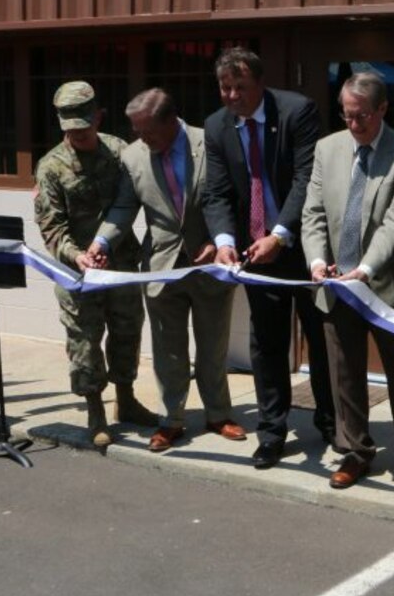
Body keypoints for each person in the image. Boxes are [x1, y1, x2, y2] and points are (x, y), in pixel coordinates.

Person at [81, 88, 244, 453]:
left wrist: (221, 242)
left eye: (148, 132)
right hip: (161, 266)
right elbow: (124, 207)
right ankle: (171, 421)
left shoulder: (210, 142)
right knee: (168, 349)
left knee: (213, 346)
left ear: (171, 121)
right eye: (136, 131)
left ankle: (218, 414)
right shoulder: (134, 156)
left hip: (209, 265)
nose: (141, 139)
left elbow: (231, 197)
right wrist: (101, 242)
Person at [200, 47, 335, 470]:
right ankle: (272, 431)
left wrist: (280, 234)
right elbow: (217, 192)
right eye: (225, 88)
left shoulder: (297, 112)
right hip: (257, 253)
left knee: (320, 338)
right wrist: (224, 240)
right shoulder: (217, 126)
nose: (233, 96)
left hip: (304, 247)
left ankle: (332, 424)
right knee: (267, 345)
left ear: (260, 83)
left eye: (241, 87)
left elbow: (305, 178)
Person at [301, 72, 394, 488]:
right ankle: (355, 450)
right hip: (337, 282)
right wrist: (318, 261)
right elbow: (314, 213)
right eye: (346, 115)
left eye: (362, 117)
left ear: (382, 110)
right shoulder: (327, 148)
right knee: (345, 371)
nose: (353, 124)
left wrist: (366, 269)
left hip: (384, 284)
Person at [33, 81, 159, 448]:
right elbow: (52, 230)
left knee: (127, 331)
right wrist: (79, 256)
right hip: (78, 275)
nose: (79, 135)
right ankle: (95, 411)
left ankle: (126, 400)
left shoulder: (119, 151)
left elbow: (137, 197)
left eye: (84, 128)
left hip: (119, 265)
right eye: (71, 130)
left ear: (98, 117)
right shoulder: (50, 168)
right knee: (85, 343)